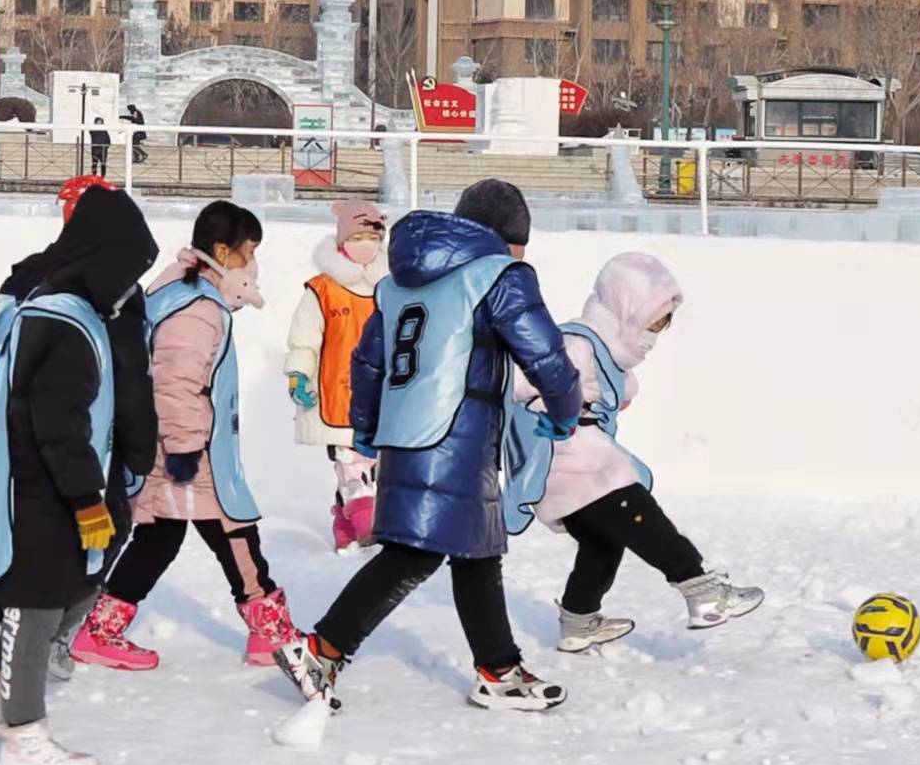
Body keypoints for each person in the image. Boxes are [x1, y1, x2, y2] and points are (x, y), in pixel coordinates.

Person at [276, 179, 584, 713]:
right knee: (413, 554)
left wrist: (368, 430)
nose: (521, 254)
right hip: (456, 435)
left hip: (409, 434)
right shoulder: (499, 276)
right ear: (505, 237)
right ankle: (320, 650)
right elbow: (546, 354)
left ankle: (499, 669)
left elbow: (368, 363)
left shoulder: (399, 283)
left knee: (476, 551)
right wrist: (565, 410)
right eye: (520, 243)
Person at [0, 186, 159, 765]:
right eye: (128, 271)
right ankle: (23, 739)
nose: (129, 286)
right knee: (36, 603)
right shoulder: (61, 319)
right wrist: (88, 499)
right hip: (41, 489)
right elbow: (57, 423)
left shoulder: (79, 309)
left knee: (69, 590)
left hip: (57, 482)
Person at [501, 252, 763, 652]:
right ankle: (702, 590)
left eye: (659, 329)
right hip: (575, 465)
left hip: (578, 468)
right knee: (643, 517)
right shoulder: (574, 344)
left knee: (603, 542)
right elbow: (521, 384)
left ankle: (578, 622)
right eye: (647, 325)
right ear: (623, 311)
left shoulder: (604, 354)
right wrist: (560, 405)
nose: (651, 338)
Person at [77, 203, 301, 670]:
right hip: (187, 449)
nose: (252, 264)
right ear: (223, 250)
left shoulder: (181, 292)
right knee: (234, 532)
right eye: (249, 251)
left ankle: (100, 629)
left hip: (175, 444)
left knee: (160, 536)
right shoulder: (197, 308)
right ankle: (272, 634)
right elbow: (175, 385)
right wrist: (183, 449)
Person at [285, 201, 391, 554]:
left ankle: (344, 522)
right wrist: (299, 373)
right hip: (336, 391)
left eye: (372, 237)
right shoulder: (322, 289)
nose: (365, 244)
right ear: (342, 241)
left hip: (380, 392)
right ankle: (366, 524)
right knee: (351, 463)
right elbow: (305, 337)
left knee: (374, 462)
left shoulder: (390, 288)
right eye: (357, 236)